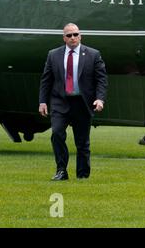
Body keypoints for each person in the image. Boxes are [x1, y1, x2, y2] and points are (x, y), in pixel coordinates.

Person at [39, 23, 108, 181]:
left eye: (75, 34)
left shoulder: (93, 54)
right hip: (60, 101)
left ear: (80, 36)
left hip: (82, 103)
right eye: (69, 35)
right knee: (56, 133)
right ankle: (61, 170)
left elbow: (102, 80)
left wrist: (100, 98)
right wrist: (42, 101)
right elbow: (46, 80)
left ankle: (82, 175)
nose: (73, 38)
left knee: (82, 142)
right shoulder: (53, 55)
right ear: (64, 38)